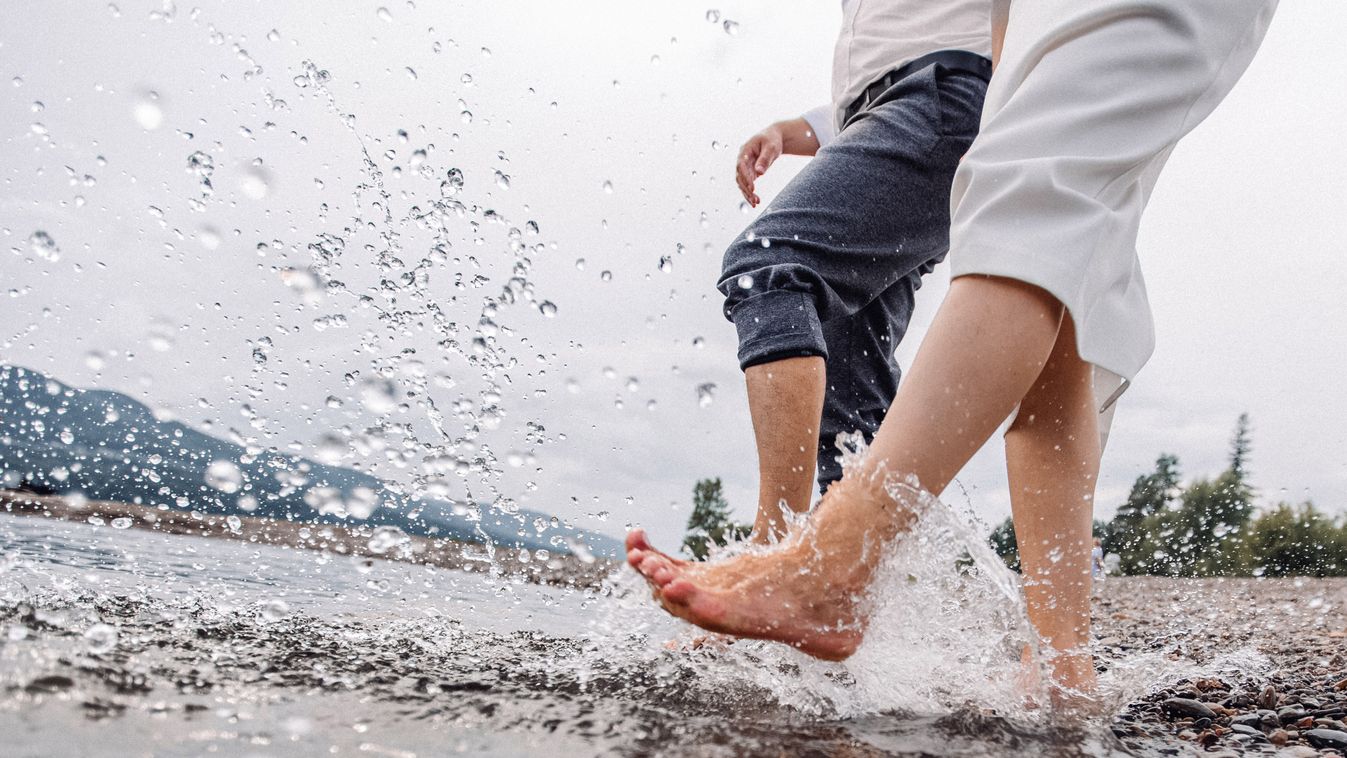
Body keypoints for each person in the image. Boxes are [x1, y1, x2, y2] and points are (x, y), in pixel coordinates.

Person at [629, 0, 1279, 703]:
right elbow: (969, 32)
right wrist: (808, 127)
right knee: (1053, 322)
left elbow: (958, 40)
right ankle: (1062, 672)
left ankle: (821, 566)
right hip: (963, 85)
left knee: (993, 231)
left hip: (951, 88)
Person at [720, 1, 993, 541]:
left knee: (771, 266)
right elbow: (883, 60)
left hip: (943, 98)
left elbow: (954, 42)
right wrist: (789, 130)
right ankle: (844, 591)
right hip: (900, 114)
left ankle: (773, 550)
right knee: (850, 406)